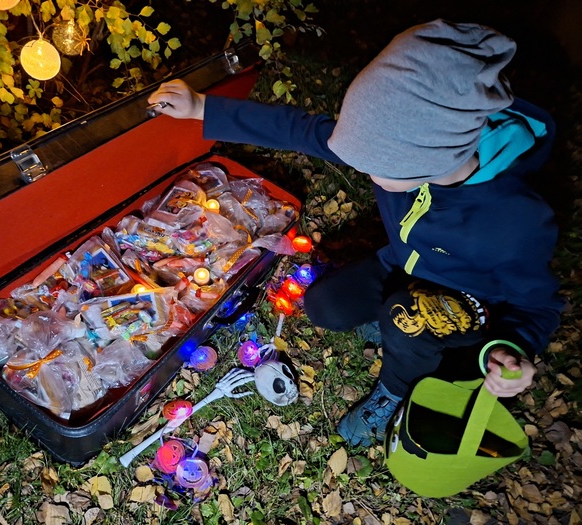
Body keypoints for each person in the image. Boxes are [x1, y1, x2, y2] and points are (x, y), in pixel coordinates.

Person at [147, 19, 563, 446]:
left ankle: (396, 389)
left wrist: (514, 348)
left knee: (406, 317)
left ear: (426, 162)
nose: (360, 168)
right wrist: (202, 107)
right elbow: (300, 130)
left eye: (372, 166)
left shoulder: (512, 221)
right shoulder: (402, 149)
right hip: (402, 264)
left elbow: (538, 306)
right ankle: (392, 325)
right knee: (325, 305)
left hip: (469, 305)